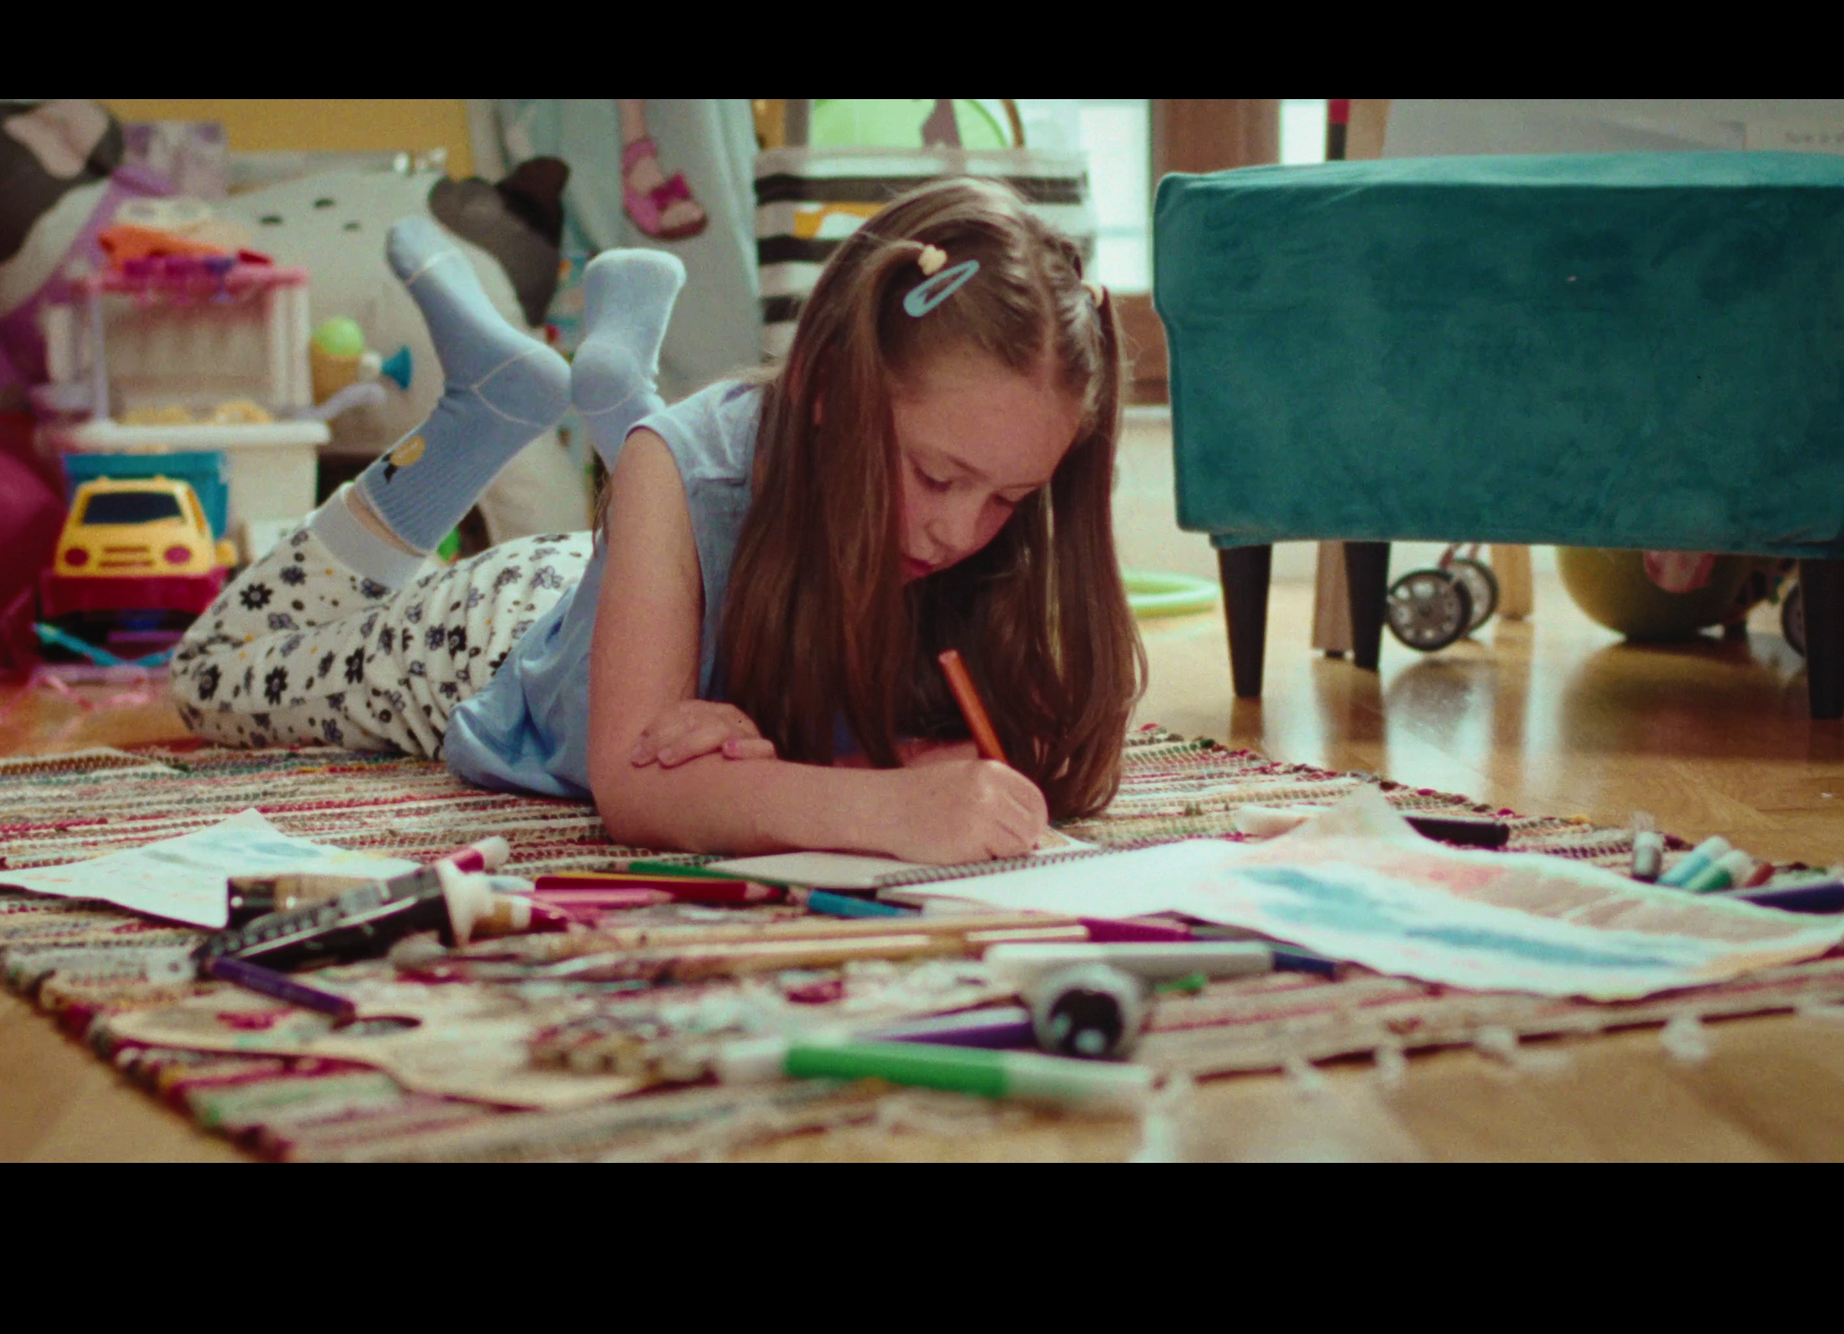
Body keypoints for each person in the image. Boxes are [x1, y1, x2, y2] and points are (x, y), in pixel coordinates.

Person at [171, 176, 1142, 865]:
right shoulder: (694, 477)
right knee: (211, 675)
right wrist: (885, 801)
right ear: (821, 390)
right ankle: (479, 423)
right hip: (494, 638)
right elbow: (637, 790)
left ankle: (620, 399)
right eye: (935, 475)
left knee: (669, 467)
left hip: (638, 563)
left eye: (1007, 499)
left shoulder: (967, 527)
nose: (957, 530)